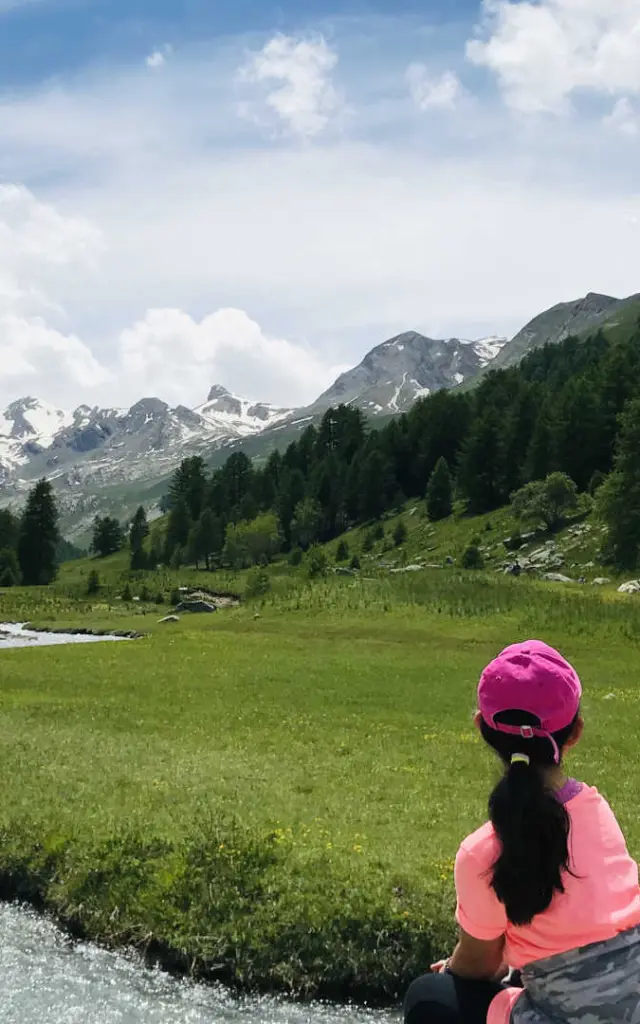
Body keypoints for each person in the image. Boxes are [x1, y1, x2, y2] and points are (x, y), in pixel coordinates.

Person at [404, 640, 640, 1024]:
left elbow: (478, 967)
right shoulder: (597, 809)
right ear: (575, 731)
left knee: (430, 997)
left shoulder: (481, 853)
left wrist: (452, 967)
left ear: (482, 728)